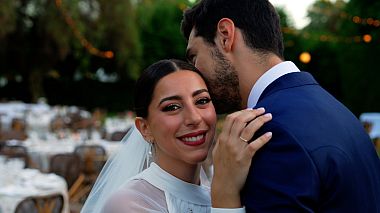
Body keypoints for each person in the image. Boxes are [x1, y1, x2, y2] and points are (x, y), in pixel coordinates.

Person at [181, 0, 380, 212]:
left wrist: (223, 197)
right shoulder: (339, 111)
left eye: (194, 56)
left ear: (225, 35)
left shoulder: (270, 131)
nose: (195, 72)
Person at [81, 59, 273, 213]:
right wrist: (226, 196)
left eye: (202, 101)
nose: (194, 118)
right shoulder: (128, 204)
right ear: (145, 128)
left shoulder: (229, 182)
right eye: (172, 107)